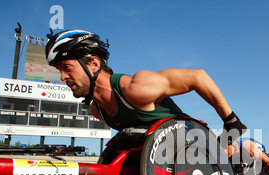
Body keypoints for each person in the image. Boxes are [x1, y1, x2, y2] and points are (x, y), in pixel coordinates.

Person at [45, 29, 246, 144]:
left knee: (238, 154)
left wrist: (231, 121)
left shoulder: (136, 87)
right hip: (164, 156)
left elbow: (198, 77)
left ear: (94, 64)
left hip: (197, 144)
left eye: (67, 68)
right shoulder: (97, 110)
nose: (63, 77)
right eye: (59, 71)